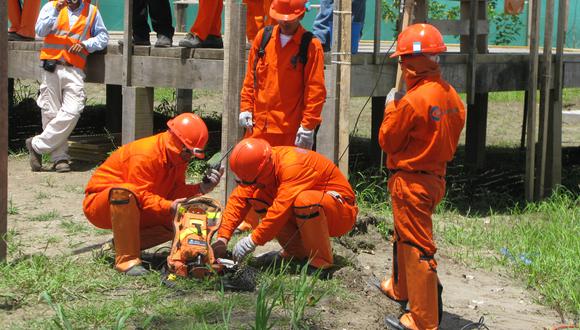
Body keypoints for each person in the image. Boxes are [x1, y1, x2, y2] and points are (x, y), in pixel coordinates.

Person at [377, 24, 466, 330]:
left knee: (417, 248)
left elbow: (388, 141)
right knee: (403, 237)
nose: (400, 65)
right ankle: (400, 288)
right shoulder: (452, 96)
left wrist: (392, 107)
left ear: (412, 63)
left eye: (402, 60)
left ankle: (423, 320)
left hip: (412, 181)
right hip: (435, 178)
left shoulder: (413, 101)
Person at [83, 113, 224, 276]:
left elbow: (173, 192)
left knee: (181, 217)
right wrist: (169, 206)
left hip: (135, 205)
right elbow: (140, 194)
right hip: (101, 205)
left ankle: (116, 247)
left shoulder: (177, 158)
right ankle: (126, 260)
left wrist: (202, 187)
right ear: (177, 143)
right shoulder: (146, 154)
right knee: (126, 193)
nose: (190, 158)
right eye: (188, 152)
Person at [211, 138, 358, 274]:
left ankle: (321, 263)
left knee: (305, 201)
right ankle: (295, 253)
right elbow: (239, 199)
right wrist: (222, 239)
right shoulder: (262, 165)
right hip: (313, 212)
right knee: (258, 196)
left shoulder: (292, 166)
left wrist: (252, 240)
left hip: (341, 213)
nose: (253, 185)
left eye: (253, 181)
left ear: (264, 169)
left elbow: (280, 210)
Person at [26, 0, 109, 173]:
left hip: (75, 69)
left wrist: (87, 44)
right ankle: (60, 159)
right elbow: (40, 31)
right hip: (51, 67)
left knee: (73, 109)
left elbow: (103, 37)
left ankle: (36, 145)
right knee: (51, 113)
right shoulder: (51, 6)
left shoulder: (92, 11)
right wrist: (56, 12)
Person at [238, 0, 326, 150]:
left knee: (287, 173)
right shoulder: (263, 38)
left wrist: (307, 126)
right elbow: (251, 79)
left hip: (290, 133)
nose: (285, 22)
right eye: (281, 17)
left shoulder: (311, 46)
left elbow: (315, 91)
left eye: (290, 19)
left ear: (301, 15)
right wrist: (246, 108)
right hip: (259, 128)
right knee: (254, 171)